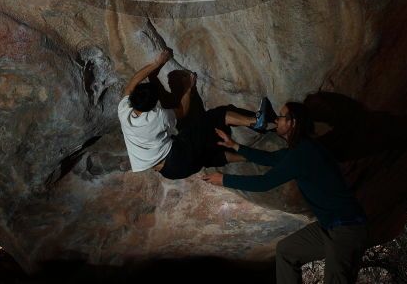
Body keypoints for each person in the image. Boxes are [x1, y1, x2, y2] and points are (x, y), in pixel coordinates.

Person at [202, 99, 369, 284]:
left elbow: (264, 183)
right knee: (286, 251)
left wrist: (224, 179)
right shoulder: (299, 149)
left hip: (347, 228)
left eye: (281, 116)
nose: (277, 119)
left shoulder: (304, 153)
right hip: (328, 227)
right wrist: (235, 146)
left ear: (292, 122)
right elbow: (270, 158)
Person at [118, 48, 277, 180]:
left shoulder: (124, 111)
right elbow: (182, 111)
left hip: (170, 172)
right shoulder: (156, 117)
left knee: (208, 155)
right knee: (215, 116)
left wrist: (157, 64)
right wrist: (188, 89)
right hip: (178, 157)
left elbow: (132, 82)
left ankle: (258, 158)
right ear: (153, 105)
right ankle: (256, 121)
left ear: (133, 99)